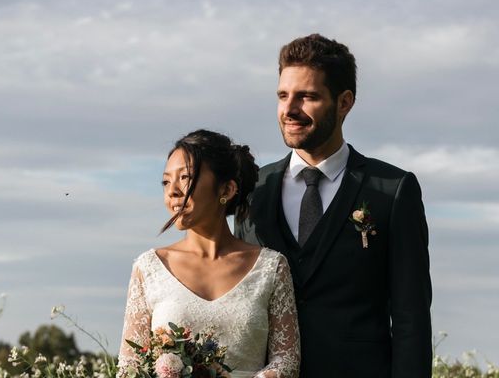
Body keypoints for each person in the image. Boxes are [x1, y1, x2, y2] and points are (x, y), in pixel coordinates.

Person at [235, 34, 432, 377]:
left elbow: (410, 316)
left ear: (344, 102)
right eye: (283, 96)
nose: (290, 109)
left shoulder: (393, 191)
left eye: (307, 96)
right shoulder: (254, 190)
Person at [118, 130, 300, 378]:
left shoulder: (271, 267)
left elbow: (286, 360)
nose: (172, 191)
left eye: (185, 177)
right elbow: (130, 367)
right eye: (165, 181)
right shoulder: (149, 268)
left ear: (226, 188)